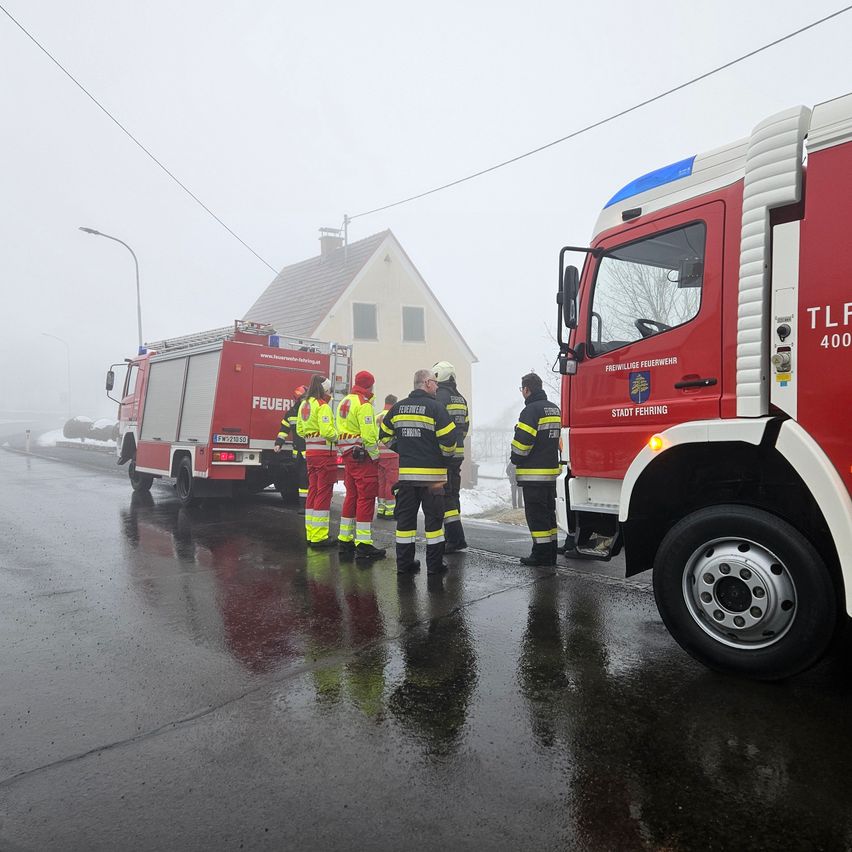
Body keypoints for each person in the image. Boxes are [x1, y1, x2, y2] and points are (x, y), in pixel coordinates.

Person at [379, 369, 458, 575]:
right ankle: (434, 566)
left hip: (406, 478)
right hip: (433, 480)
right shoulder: (436, 409)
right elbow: (449, 442)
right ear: (427, 383)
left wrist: (402, 449)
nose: (438, 386)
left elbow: (384, 436)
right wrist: (444, 458)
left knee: (405, 523)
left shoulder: (398, 408)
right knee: (434, 524)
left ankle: (404, 565)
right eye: (435, 382)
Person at [510, 372, 561, 566]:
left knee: (536, 516)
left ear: (526, 389)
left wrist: (515, 457)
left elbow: (523, 444)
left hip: (533, 475)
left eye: (522, 389)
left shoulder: (530, 411)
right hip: (550, 475)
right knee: (548, 515)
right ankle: (551, 553)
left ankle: (540, 555)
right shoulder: (553, 409)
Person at [336, 370, 386, 561]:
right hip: (362, 457)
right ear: (369, 386)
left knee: (352, 495)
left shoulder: (344, 401)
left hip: (348, 455)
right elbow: (368, 436)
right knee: (366, 497)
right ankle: (364, 544)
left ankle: (345, 539)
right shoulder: (363, 405)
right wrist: (375, 456)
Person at [296, 374, 339, 548]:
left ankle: (311, 533)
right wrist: (339, 437)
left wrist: (311, 436)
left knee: (312, 491)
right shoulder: (323, 406)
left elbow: (299, 430)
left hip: (311, 454)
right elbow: (327, 431)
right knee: (323, 493)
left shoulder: (304, 405)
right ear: (325, 390)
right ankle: (320, 536)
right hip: (324, 456)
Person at [432, 361, 470, 552]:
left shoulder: (440, 397)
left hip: (444, 454)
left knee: (445, 496)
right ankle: (453, 536)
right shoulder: (460, 398)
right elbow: (465, 426)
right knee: (453, 495)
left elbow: (436, 425)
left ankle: (455, 538)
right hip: (458, 454)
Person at [273, 385, 308, 512]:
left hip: (309, 453)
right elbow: (284, 430)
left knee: (305, 480)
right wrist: (278, 443)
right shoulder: (292, 413)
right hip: (298, 454)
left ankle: (305, 507)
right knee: (300, 480)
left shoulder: (311, 411)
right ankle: (304, 505)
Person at [375, 394, 398, 518]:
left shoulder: (377, 416)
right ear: (394, 403)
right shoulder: (395, 417)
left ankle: (381, 509)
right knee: (392, 483)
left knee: (382, 483)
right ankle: (390, 511)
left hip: (379, 454)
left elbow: (372, 435)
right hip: (392, 454)